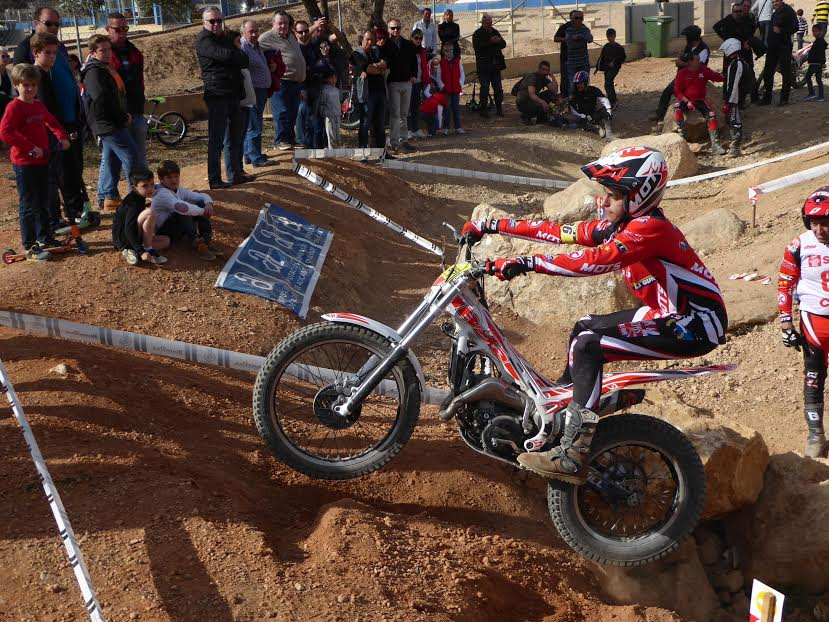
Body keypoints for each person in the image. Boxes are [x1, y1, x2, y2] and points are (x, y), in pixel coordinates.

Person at [462, 146, 727, 481]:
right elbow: (561, 232)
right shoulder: (623, 224)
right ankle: (558, 414)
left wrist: (527, 262)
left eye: (614, 195)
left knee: (589, 344)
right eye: (606, 193)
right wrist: (492, 224)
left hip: (697, 324)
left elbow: (594, 262)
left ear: (639, 196)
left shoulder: (648, 229)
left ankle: (572, 452)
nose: (604, 202)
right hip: (668, 313)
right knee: (584, 327)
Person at [778, 186, 829, 457]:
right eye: (814, 222)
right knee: (812, 379)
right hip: (813, 323)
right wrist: (786, 324)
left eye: (825, 222)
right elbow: (785, 284)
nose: (819, 229)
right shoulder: (798, 245)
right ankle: (815, 437)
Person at [0, 63, 69, 261]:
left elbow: (52, 122)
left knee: (43, 200)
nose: (29, 89)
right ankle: (29, 244)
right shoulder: (14, 107)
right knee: (29, 204)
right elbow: (5, 132)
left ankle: (44, 237)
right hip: (24, 163)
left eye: (33, 85)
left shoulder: (38, 105)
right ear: (16, 85)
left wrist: (61, 137)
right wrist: (30, 147)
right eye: (25, 85)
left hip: (42, 161)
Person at [196, 7, 252, 189]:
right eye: (212, 21)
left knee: (235, 137)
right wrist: (233, 54)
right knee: (217, 139)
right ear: (204, 23)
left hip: (233, 93)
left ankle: (235, 174)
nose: (216, 24)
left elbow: (244, 59)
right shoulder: (204, 39)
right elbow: (225, 55)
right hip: (217, 94)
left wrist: (233, 55)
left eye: (219, 20)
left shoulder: (224, 39)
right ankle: (215, 179)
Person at [81, 34, 137, 212]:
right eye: (102, 50)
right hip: (107, 123)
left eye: (109, 49)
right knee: (131, 156)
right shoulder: (94, 72)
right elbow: (102, 100)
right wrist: (122, 117)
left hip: (112, 121)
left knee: (111, 159)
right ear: (93, 53)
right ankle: (134, 198)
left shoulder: (106, 68)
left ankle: (108, 197)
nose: (107, 53)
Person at [153, 160, 220, 261]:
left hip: (177, 226)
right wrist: (203, 211)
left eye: (176, 176)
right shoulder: (162, 193)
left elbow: (200, 196)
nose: (174, 180)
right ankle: (196, 242)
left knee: (200, 203)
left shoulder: (178, 189)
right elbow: (182, 208)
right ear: (161, 179)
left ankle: (206, 240)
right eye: (169, 177)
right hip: (164, 231)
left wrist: (208, 204)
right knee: (183, 211)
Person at [105, 12, 147, 172]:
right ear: (108, 29)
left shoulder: (135, 52)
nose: (122, 33)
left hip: (136, 112)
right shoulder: (102, 54)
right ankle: (108, 194)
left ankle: (140, 192)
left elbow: (140, 82)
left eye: (125, 28)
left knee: (139, 156)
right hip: (115, 116)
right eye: (117, 29)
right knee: (111, 160)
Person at [260, 10, 306, 151]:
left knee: (293, 113)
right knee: (282, 112)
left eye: (285, 23)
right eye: (280, 23)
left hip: (296, 83)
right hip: (281, 81)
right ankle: (279, 141)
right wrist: (269, 65)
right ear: (273, 23)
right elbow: (253, 51)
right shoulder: (266, 38)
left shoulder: (290, 36)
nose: (283, 26)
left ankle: (290, 140)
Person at [651, 25, 710, 123]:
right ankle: (659, 113)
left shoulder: (703, 49)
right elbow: (683, 58)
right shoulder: (689, 46)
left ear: (692, 37)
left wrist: (682, 63)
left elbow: (698, 67)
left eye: (687, 36)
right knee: (667, 91)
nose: (686, 39)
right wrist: (681, 60)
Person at [111, 168, 167, 266]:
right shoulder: (133, 203)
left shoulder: (140, 198)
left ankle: (140, 247)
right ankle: (142, 250)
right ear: (134, 188)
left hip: (133, 235)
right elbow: (129, 228)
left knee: (166, 241)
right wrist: (140, 251)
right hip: (123, 238)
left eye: (152, 184)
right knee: (150, 213)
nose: (150, 188)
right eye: (145, 186)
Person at [673, 54, 726, 154]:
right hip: (686, 100)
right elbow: (677, 91)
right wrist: (687, 101)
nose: (700, 61)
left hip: (700, 99)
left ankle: (715, 145)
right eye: (697, 59)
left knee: (711, 116)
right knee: (677, 109)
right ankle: (683, 136)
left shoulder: (704, 70)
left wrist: (726, 74)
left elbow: (717, 77)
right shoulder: (682, 73)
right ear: (690, 62)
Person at [383, 18, 418, 152]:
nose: (395, 30)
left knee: (404, 113)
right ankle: (394, 141)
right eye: (392, 28)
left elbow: (414, 61)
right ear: (388, 29)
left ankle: (404, 140)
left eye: (397, 27)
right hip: (393, 84)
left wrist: (414, 75)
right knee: (395, 114)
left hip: (406, 83)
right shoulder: (385, 45)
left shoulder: (407, 44)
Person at [240, 19, 272, 167]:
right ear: (243, 33)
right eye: (250, 31)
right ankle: (255, 158)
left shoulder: (255, 46)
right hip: (252, 91)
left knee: (254, 123)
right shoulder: (243, 47)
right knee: (254, 125)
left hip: (260, 91)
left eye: (256, 31)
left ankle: (249, 154)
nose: (254, 34)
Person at [350, 30, 386, 149]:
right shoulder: (356, 54)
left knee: (380, 125)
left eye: (372, 40)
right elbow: (366, 68)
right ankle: (363, 151)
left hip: (380, 92)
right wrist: (378, 69)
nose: (370, 42)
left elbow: (385, 63)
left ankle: (382, 152)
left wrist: (375, 67)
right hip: (366, 94)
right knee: (365, 123)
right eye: (367, 39)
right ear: (362, 40)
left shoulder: (375, 51)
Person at [759, 0, 798, 105]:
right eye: (772, 2)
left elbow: (795, 27)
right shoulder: (775, 12)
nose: (774, 3)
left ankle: (784, 99)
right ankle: (767, 98)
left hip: (784, 46)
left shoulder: (789, 11)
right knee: (768, 72)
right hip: (773, 47)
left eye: (776, 1)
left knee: (785, 72)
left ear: (781, 1)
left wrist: (781, 30)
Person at [721, 38, 752, 156]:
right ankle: (734, 145)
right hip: (736, 97)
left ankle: (735, 148)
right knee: (732, 120)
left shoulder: (737, 64)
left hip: (736, 98)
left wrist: (729, 102)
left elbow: (733, 84)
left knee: (735, 121)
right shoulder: (738, 62)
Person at [472, 14, 506, 118]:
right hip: (484, 66)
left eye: (491, 23)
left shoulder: (495, 31)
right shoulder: (477, 34)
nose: (489, 25)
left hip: (495, 65)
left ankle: (499, 108)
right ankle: (483, 109)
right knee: (485, 88)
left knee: (498, 88)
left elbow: (504, 44)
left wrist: (499, 40)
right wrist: (490, 42)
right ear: (483, 23)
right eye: (487, 23)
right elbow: (477, 47)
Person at [565, 70, 614, 138]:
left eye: (580, 83)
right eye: (577, 83)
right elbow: (573, 109)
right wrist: (582, 116)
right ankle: (596, 128)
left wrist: (609, 110)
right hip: (582, 117)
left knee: (605, 111)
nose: (578, 85)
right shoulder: (574, 94)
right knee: (573, 118)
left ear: (585, 82)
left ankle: (609, 133)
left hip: (593, 115)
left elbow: (604, 100)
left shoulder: (593, 90)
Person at [293, 20, 317, 149]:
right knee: (302, 112)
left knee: (313, 116)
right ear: (295, 33)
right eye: (300, 32)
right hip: (300, 85)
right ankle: (301, 141)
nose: (303, 34)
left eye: (306, 31)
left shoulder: (314, 45)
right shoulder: (294, 48)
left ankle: (312, 144)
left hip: (315, 84)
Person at [515, 60, 561, 125]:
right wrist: (543, 102)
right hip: (523, 102)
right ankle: (525, 116)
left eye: (547, 70)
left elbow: (554, 90)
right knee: (540, 106)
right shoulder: (532, 77)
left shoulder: (543, 78)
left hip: (531, 100)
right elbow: (532, 95)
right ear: (539, 69)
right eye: (543, 69)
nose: (545, 72)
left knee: (550, 94)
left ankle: (541, 119)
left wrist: (552, 76)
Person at [434, 42, 465, 135]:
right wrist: (442, 86)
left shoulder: (458, 61)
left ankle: (458, 127)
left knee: (456, 108)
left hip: (456, 88)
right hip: (446, 90)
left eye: (450, 50)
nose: (448, 52)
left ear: (453, 51)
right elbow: (438, 77)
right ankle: (446, 128)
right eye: (446, 51)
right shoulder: (441, 63)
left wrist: (460, 84)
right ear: (443, 52)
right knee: (446, 109)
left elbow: (462, 74)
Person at [408, 29, 431, 139]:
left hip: (418, 82)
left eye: (420, 38)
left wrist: (426, 81)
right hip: (408, 82)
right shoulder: (407, 49)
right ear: (412, 37)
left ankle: (415, 129)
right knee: (407, 107)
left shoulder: (422, 51)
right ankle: (408, 130)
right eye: (416, 37)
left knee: (416, 107)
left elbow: (424, 67)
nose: (418, 40)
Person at [596, 28, 625, 109]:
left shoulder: (619, 47)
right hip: (607, 69)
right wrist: (597, 68)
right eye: (608, 36)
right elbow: (601, 57)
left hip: (614, 69)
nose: (610, 38)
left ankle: (613, 101)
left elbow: (622, 58)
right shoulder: (606, 46)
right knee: (608, 84)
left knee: (608, 84)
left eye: (611, 36)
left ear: (614, 36)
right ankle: (612, 101)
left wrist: (614, 62)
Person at [564, 10, 593, 91]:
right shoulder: (569, 30)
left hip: (584, 62)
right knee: (572, 84)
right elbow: (570, 44)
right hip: (572, 63)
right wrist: (581, 38)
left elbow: (590, 39)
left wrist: (578, 37)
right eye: (576, 18)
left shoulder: (585, 29)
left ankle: (586, 101)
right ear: (571, 19)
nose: (579, 20)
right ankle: (573, 101)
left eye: (581, 18)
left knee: (585, 83)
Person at [554, 11, 577, 98]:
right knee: (565, 77)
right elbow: (555, 38)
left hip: (578, 58)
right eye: (575, 17)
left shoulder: (581, 27)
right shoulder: (564, 27)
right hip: (566, 58)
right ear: (570, 17)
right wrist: (566, 39)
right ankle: (564, 96)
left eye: (579, 17)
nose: (577, 19)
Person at [317, 69, 341, 148]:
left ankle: (337, 147)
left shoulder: (337, 90)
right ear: (327, 79)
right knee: (330, 133)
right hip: (329, 115)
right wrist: (323, 113)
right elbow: (322, 103)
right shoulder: (324, 90)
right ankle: (331, 149)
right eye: (332, 78)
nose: (334, 80)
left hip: (337, 114)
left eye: (335, 78)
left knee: (337, 133)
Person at [804, 23, 827, 100]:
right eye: (813, 31)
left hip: (816, 63)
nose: (814, 33)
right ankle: (819, 96)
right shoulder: (817, 41)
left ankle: (813, 94)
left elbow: (821, 53)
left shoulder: (820, 42)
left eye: (816, 31)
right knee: (817, 79)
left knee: (809, 77)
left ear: (820, 31)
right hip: (815, 63)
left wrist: (823, 63)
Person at [0, 46, 15, 119]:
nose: (6, 58)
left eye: (7, 56)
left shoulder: (9, 72)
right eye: (3, 56)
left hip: (8, 105)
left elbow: (14, 92)